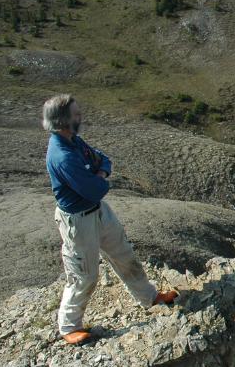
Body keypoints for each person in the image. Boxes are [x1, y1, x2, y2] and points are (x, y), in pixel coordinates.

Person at [43, 94, 177, 345]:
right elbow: (95, 189)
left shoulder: (74, 142)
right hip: (78, 221)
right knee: (84, 274)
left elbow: (102, 160)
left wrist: (99, 172)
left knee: (124, 254)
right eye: (75, 114)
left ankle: (149, 297)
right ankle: (69, 326)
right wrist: (99, 177)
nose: (80, 117)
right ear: (62, 121)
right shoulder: (62, 156)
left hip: (97, 211)